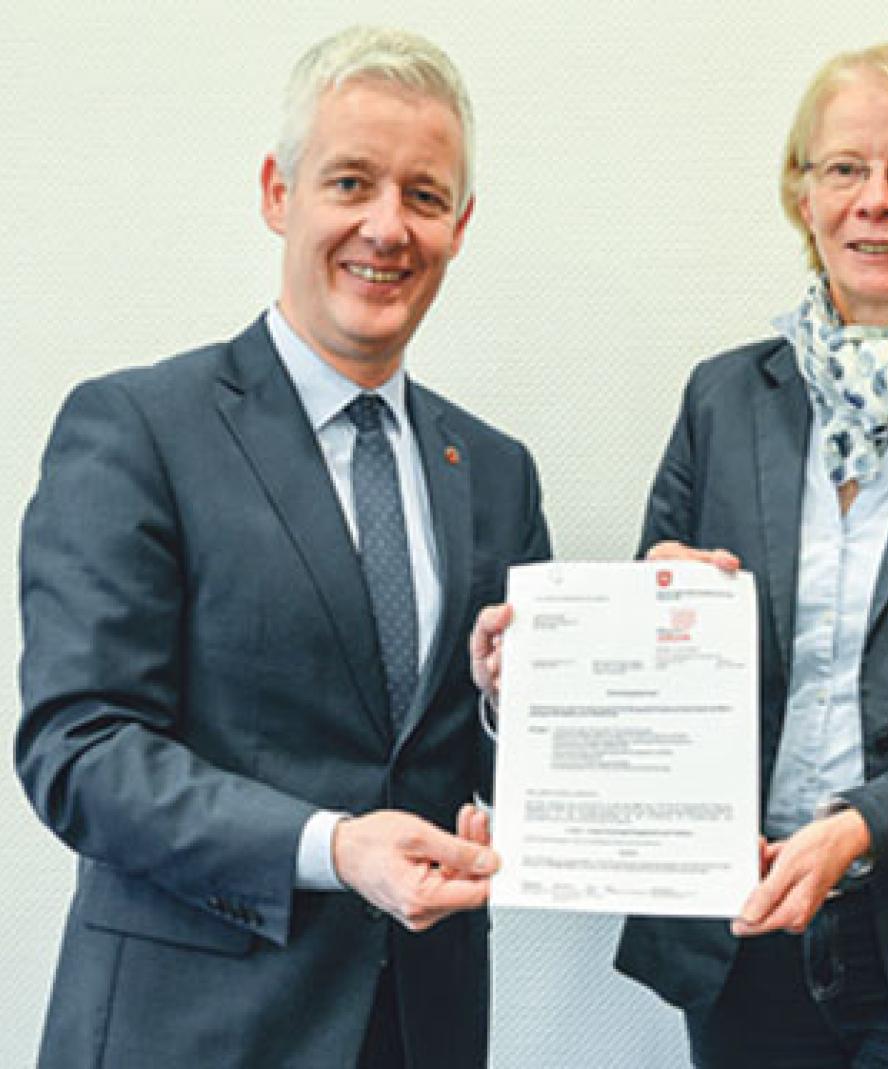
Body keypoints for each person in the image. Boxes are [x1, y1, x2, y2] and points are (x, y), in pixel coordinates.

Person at [473, 41, 888, 1067]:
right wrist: (549, 671)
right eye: (844, 168)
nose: (876, 201)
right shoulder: (723, 400)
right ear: (802, 195)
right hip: (748, 939)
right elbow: (644, 679)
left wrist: (858, 826)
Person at [15, 26, 551, 1069]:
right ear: (278, 193)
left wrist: (515, 699)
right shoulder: (137, 429)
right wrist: (333, 847)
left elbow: (495, 773)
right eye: (350, 182)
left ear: (460, 225)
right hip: (190, 1033)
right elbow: (79, 750)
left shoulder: (494, 471)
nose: (386, 227)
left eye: (424, 196)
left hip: (419, 1029)